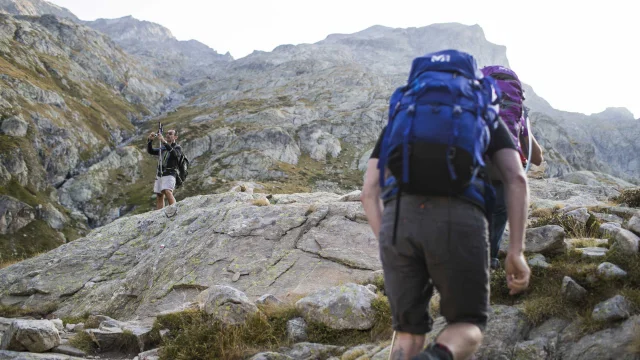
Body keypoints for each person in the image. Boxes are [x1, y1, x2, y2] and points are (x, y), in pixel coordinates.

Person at [361, 50, 531, 360]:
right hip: (460, 216)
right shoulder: (481, 112)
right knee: (467, 325)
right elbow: (516, 178)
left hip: (400, 220)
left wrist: (388, 241)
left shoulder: (403, 116)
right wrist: (516, 251)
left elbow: (369, 191)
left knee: (409, 332)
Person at [480, 66, 544, 270]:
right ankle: (489, 259)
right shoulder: (519, 115)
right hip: (501, 169)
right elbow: (537, 158)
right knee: (500, 203)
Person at [147, 129, 183, 210]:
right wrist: (150, 141)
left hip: (170, 173)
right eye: (167, 134)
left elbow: (174, 154)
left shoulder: (177, 148)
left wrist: (164, 141)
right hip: (160, 173)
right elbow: (151, 151)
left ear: (175, 137)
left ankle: (174, 209)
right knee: (159, 195)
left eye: (170, 134)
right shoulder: (163, 148)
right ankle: (159, 214)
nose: (167, 135)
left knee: (167, 191)